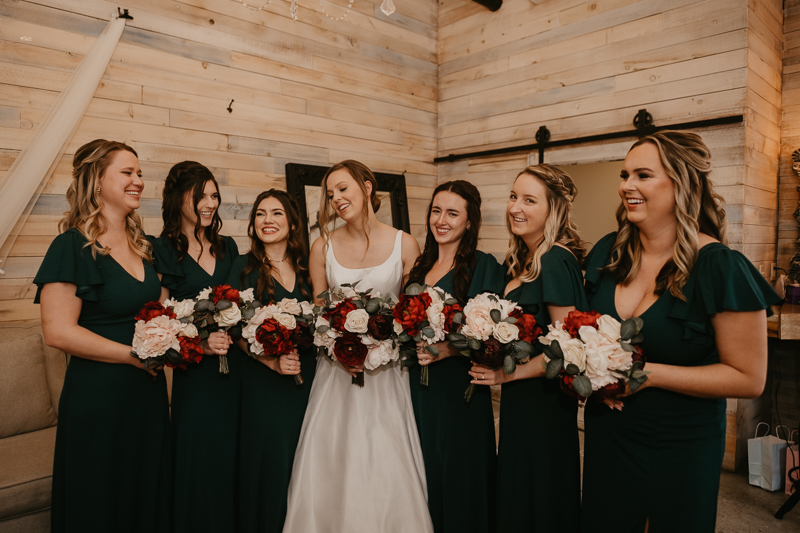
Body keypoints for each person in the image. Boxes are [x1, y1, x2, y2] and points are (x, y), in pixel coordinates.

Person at [580, 131, 781, 533]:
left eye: (643, 175)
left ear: (682, 183)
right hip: (609, 434)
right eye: (624, 174)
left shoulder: (720, 267)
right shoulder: (608, 251)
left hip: (681, 444)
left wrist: (648, 376)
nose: (627, 186)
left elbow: (749, 377)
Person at [283, 160, 433, 533]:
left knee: (386, 459)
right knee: (333, 458)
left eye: (343, 188)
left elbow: (415, 311)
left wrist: (382, 344)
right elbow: (320, 314)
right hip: (337, 374)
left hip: (387, 375)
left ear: (367, 188)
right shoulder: (323, 246)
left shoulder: (405, 243)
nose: (335, 198)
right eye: (330, 194)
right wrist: (339, 348)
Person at [35, 139, 170, 532]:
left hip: (145, 397)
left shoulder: (144, 247)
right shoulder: (71, 246)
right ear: (97, 181)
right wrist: (132, 355)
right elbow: (57, 332)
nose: (139, 181)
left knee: (144, 494)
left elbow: (156, 312)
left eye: (140, 173)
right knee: (99, 501)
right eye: (127, 172)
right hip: (99, 399)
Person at [471, 164, 586, 533]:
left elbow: (570, 346)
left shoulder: (554, 260)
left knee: (540, 496)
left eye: (529, 200)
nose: (516, 207)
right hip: (523, 400)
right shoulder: (520, 260)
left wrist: (510, 373)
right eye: (513, 196)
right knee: (520, 492)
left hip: (546, 404)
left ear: (553, 209)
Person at [405, 180, 504, 533]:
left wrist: (447, 349)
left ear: (469, 222)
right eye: (435, 211)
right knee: (423, 476)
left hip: (459, 392)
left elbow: (490, 334)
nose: (441, 220)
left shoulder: (483, 265)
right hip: (417, 390)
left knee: (460, 478)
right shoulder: (420, 266)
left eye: (452, 213)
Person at [150, 161, 239, 533]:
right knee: (200, 455)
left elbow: (242, 303)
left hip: (236, 368)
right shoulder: (163, 249)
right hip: (196, 373)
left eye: (214, 195)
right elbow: (158, 319)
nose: (209, 203)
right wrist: (200, 340)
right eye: (199, 195)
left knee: (235, 455)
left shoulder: (228, 246)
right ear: (178, 197)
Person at [227, 190, 316, 533]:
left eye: (276, 213)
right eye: (261, 214)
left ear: (292, 223)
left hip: (307, 379)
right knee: (270, 463)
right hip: (263, 383)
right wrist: (269, 362)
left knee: (303, 460)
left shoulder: (309, 268)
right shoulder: (243, 267)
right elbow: (233, 327)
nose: (268, 220)